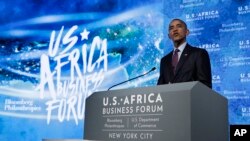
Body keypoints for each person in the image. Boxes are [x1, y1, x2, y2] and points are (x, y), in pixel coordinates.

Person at [157, 18, 212, 88]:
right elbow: (159, 88)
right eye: (171, 28)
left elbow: (205, 85)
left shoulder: (199, 54)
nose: (175, 29)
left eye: (179, 26)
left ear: (187, 32)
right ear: (169, 36)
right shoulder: (164, 60)